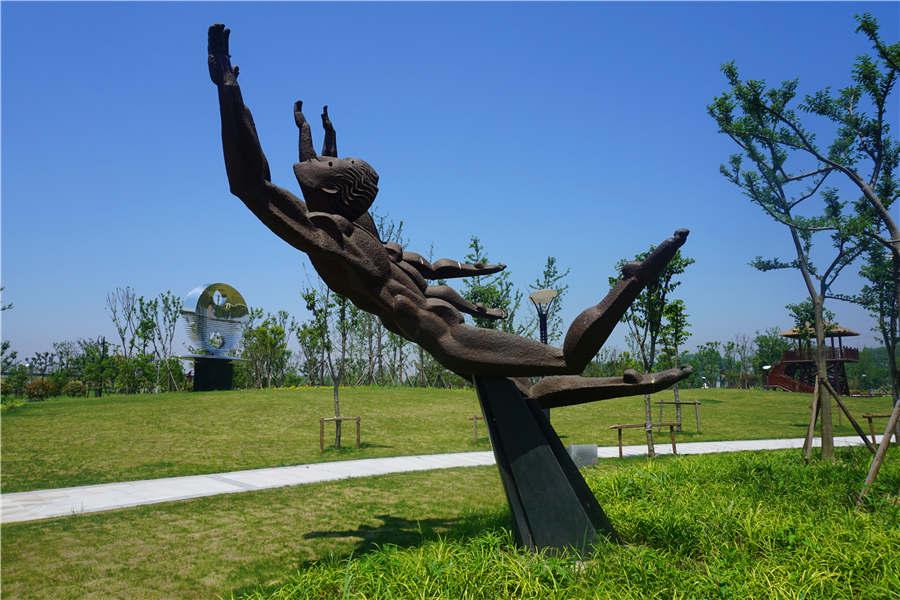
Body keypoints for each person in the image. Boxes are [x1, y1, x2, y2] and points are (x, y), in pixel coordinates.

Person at [207, 24, 691, 398]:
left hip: (453, 334)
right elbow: (264, 181)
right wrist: (233, 92)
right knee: (548, 375)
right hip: (446, 338)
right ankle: (634, 315)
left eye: (330, 162)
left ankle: (633, 306)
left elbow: (268, 182)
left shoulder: (345, 233)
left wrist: (236, 95)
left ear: (333, 190)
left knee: (546, 378)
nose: (317, 160)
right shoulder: (336, 235)